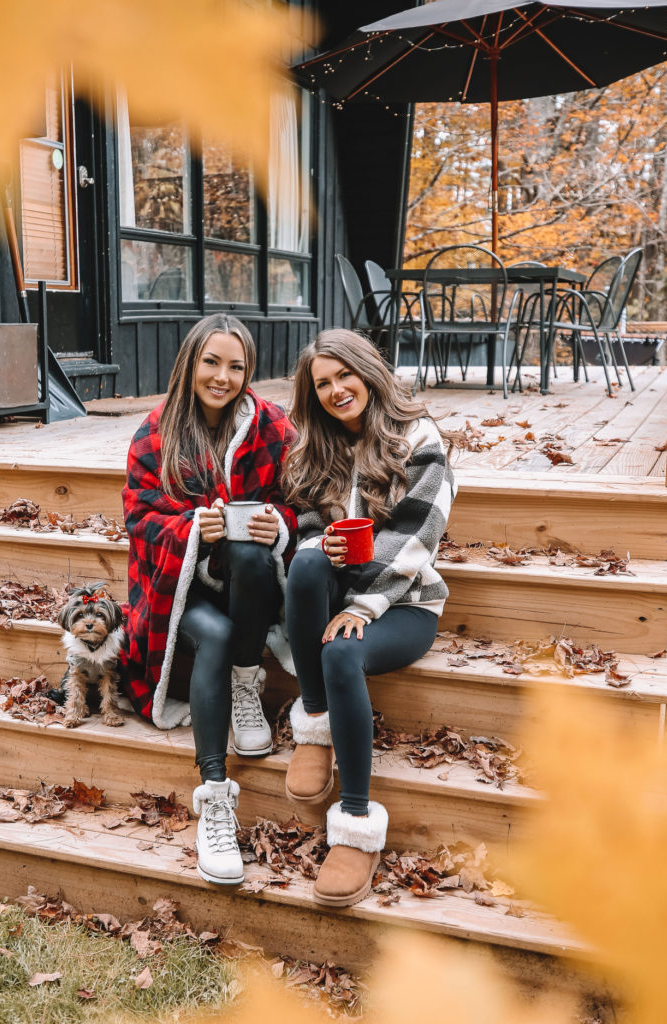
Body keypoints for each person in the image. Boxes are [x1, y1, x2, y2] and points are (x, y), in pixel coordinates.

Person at [281, 329, 456, 907]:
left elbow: (418, 536)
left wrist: (364, 605)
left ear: (368, 372)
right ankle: (314, 719)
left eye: (343, 376)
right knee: (305, 569)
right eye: (322, 384)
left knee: (341, 652)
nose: (335, 391)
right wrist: (323, 547)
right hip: (335, 592)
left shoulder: (418, 438)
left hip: (404, 601)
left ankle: (355, 827)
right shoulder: (314, 447)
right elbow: (309, 529)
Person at [122, 313, 296, 887]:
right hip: (179, 584)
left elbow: (306, 500)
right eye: (211, 362)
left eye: (236, 365)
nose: (223, 376)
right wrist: (194, 528)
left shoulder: (273, 429)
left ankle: (247, 683)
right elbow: (139, 518)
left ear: (250, 370)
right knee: (213, 634)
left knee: (250, 552)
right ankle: (216, 798)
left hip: (250, 583)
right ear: (191, 363)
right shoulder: (155, 432)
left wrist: (282, 525)